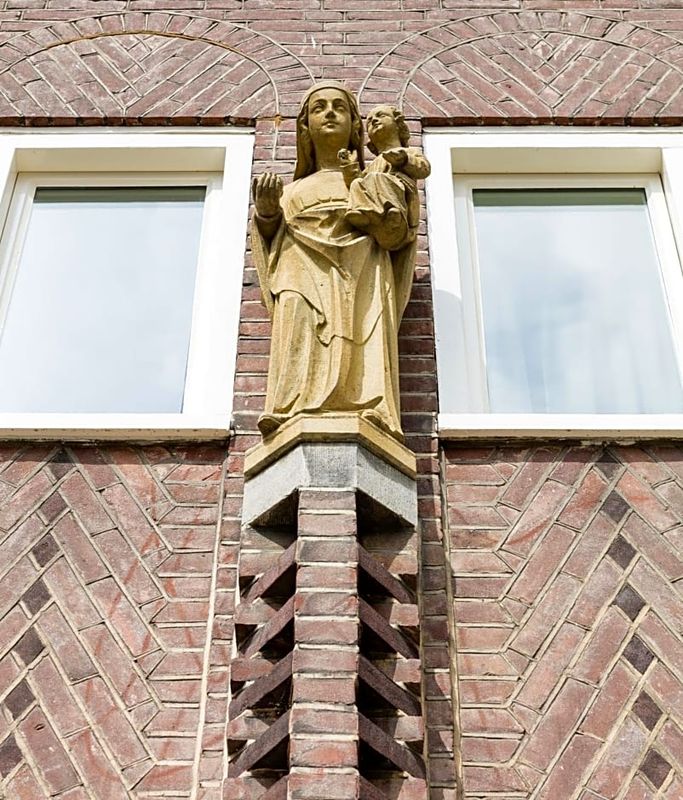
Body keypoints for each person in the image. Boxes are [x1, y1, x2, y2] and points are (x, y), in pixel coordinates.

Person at [250, 82, 418, 440]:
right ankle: (289, 407)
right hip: (300, 273)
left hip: (362, 269)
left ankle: (372, 405)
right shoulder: (291, 191)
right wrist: (266, 213)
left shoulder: (372, 179)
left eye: (339, 107)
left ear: (356, 125)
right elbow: (271, 245)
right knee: (294, 309)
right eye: (319, 108)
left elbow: (396, 233)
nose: (329, 113)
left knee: (368, 319)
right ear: (305, 127)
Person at [338, 104, 431, 251]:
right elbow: (358, 182)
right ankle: (366, 215)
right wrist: (349, 166)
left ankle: (395, 215)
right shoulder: (374, 165)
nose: (374, 120)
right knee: (357, 183)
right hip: (378, 208)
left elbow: (424, 169)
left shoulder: (409, 152)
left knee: (377, 178)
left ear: (398, 125)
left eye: (381, 115)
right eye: (369, 121)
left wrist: (404, 160)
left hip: (402, 195)